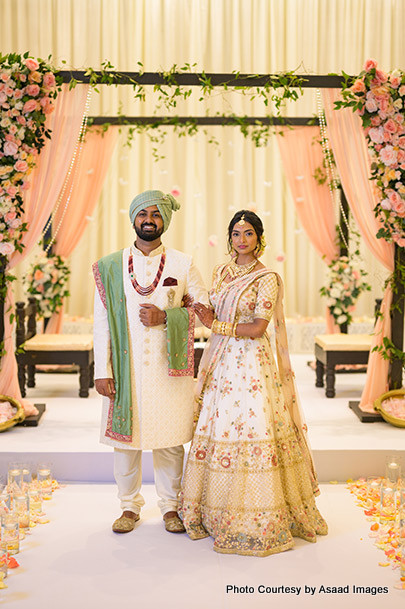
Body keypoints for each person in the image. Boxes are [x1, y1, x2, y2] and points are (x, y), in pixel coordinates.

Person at [179, 210, 328, 556]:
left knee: (253, 428)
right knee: (223, 430)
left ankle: (260, 515)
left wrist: (215, 325)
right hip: (222, 363)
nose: (241, 239)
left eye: (248, 233)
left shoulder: (267, 278)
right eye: (235, 233)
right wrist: (199, 311)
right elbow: (213, 311)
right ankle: (216, 512)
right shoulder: (220, 272)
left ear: (259, 238)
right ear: (229, 237)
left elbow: (258, 328)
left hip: (250, 366)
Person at [92, 190, 208, 534]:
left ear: (165, 222)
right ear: (133, 219)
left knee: (170, 440)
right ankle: (128, 506)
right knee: (124, 442)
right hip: (125, 370)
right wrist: (103, 370)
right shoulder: (110, 265)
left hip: (167, 369)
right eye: (143, 214)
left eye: (156, 215)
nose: (148, 220)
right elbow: (100, 322)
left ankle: (170, 507)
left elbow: (204, 311)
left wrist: (168, 317)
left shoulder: (182, 263)